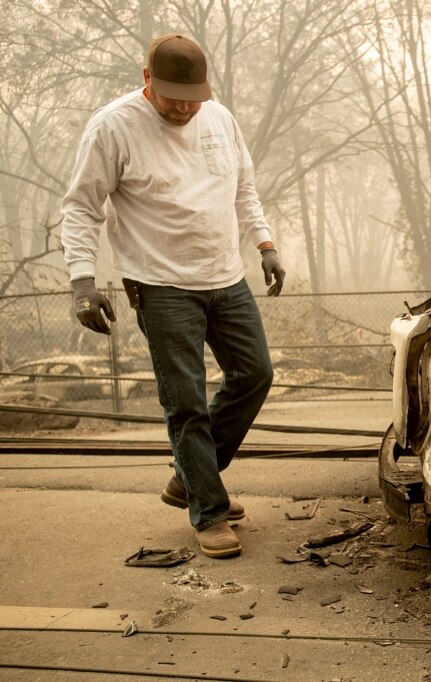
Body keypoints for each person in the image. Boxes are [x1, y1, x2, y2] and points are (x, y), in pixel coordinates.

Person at [60, 34, 285, 559]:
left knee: (255, 374)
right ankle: (208, 510)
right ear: (146, 81)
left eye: (194, 97)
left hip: (224, 276)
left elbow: (244, 187)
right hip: (159, 284)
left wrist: (265, 243)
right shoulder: (112, 127)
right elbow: (82, 207)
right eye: (172, 97)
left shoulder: (219, 118)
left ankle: (189, 476)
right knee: (184, 400)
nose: (184, 108)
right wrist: (82, 282)